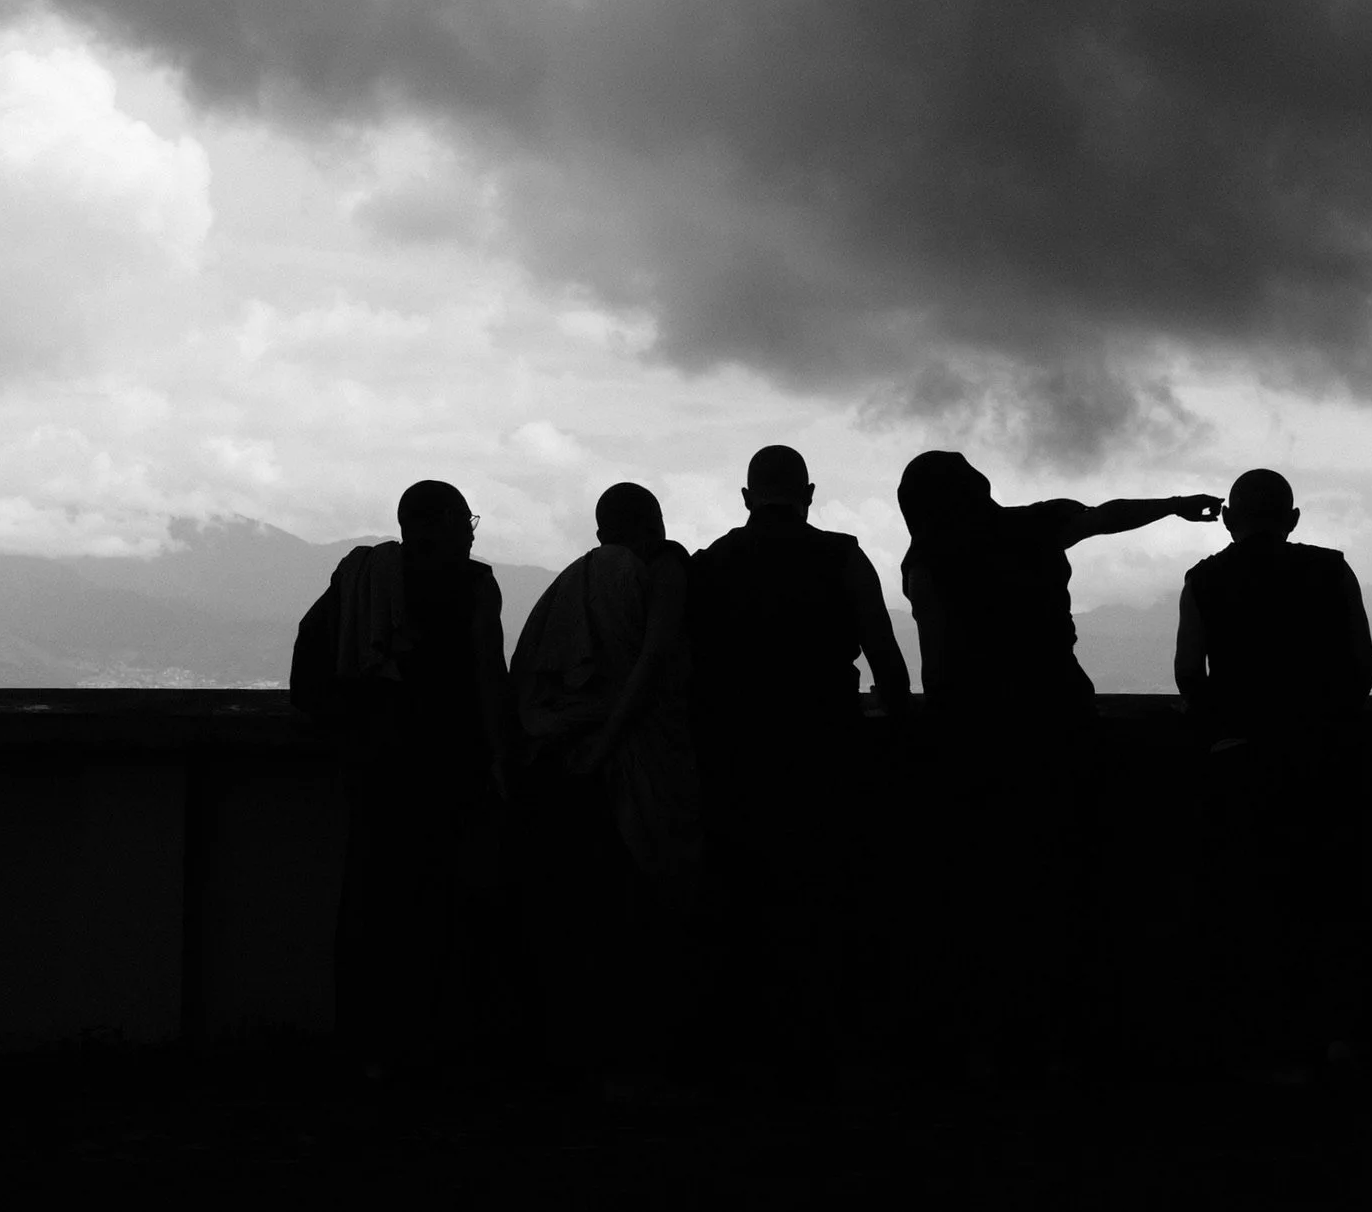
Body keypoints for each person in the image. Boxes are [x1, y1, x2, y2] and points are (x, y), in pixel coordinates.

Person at [896, 449, 1222, 1080]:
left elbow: (936, 659)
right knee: (1068, 879)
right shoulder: (1037, 524)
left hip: (977, 736)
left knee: (983, 894)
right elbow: (1106, 516)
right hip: (1060, 720)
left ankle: (988, 1043)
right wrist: (1175, 506)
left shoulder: (928, 557)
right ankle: (1070, 1039)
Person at [686, 445, 912, 1086]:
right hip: (826, 757)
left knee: (741, 906)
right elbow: (888, 664)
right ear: (809, 494)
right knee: (821, 904)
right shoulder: (844, 557)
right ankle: (821, 1054)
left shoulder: (712, 563)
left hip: (734, 762)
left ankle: (741, 1056)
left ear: (747, 497)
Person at [289, 480, 513, 1079]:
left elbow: (310, 664)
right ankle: (435, 1050)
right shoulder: (474, 586)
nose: (471, 532)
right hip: (451, 771)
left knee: (373, 906)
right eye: (466, 520)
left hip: (377, 768)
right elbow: (489, 677)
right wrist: (500, 758)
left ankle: (368, 1050)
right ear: (439, 523)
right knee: (442, 913)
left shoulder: (359, 579)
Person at [1174, 468, 1372, 1078]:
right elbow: (1363, 662)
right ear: (1292, 520)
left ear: (1229, 520)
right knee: (1326, 900)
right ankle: (1332, 1036)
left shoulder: (1203, 579)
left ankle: (1248, 1042)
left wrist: (1222, 730)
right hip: (1323, 757)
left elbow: (1190, 674)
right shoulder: (1332, 570)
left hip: (1239, 760)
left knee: (1242, 903)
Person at [506, 482, 699, 1077]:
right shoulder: (664, 566)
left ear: (599, 533)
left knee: (591, 920)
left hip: (568, 763)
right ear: (657, 524)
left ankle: (585, 1058)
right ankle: (650, 1059)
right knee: (650, 912)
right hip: (631, 759)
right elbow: (654, 660)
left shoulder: (573, 582)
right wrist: (611, 739)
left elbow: (526, 674)